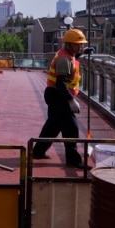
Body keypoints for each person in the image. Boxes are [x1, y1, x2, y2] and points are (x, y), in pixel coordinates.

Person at [32, 29, 90, 168]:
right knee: (71, 128)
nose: (80, 47)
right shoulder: (65, 59)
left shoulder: (68, 55)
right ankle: (73, 160)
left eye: (82, 44)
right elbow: (61, 83)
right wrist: (71, 101)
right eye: (77, 44)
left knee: (53, 126)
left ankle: (38, 151)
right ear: (69, 44)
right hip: (58, 95)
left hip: (54, 94)